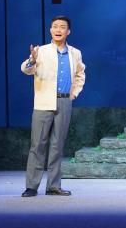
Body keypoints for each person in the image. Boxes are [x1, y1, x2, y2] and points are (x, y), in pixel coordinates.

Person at [21, 16, 85, 197]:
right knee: (38, 145)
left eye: (62, 27)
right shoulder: (40, 51)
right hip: (43, 102)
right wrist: (32, 61)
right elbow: (26, 69)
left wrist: (73, 93)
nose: (58, 30)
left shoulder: (75, 53)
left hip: (64, 101)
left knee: (58, 145)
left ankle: (53, 186)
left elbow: (80, 74)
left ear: (68, 31)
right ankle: (31, 186)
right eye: (55, 26)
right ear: (50, 30)